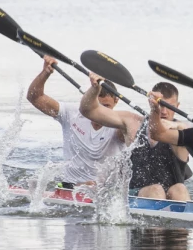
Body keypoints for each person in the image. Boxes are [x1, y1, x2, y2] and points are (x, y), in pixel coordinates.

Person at [80, 73, 191, 201]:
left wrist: (170, 125)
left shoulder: (181, 130)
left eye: (169, 107)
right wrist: (94, 89)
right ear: (151, 102)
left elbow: (185, 129)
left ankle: (185, 218)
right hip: (136, 194)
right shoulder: (132, 122)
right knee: (156, 189)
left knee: (180, 189)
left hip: (173, 195)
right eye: (160, 105)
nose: (164, 111)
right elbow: (88, 111)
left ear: (177, 107)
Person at [27, 55, 125, 187]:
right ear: (90, 101)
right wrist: (45, 73)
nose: (100, 113)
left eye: (106, 107)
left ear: (116, 101)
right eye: (97, 106)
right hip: (71, 186)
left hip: (104, 191)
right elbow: (35, 97)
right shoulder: (71, 113)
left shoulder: (121, 125)